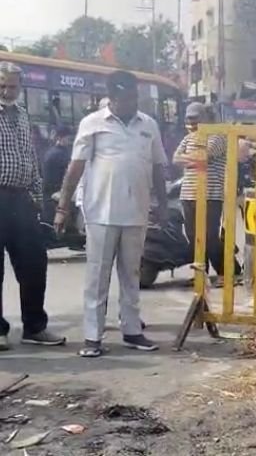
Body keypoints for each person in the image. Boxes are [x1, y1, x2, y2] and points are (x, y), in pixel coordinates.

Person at [55, 70, 168, 357]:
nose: (133, 103)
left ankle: (132, 331)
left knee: (131, 275)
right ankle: (93, 337)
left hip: (137, 212)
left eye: (135, 97)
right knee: (97, 277)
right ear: (113, 97)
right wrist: (63, 207)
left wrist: (163, 206)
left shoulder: (148, 125)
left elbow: (158, 167)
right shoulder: (92, 124)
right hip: (101, 212)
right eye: (127, 98)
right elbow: (76, 167)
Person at [0, 61, 66, 351]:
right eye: (1, 85)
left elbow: (31, 158)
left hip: (22, 199)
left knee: (34, 263)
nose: (6, 90)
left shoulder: (24, 116)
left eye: (11, 86)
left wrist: (36, 199)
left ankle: (35, 326)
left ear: (19, 87)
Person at [173, 102, 240, 285]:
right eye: (189, 119)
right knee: (194, 236)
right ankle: (200, 274)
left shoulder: (218, 136)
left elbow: (205, 155)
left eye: (195, 119)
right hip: (188, 193)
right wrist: (193, 158)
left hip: (211, 194)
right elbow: (175, 158)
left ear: (206, 118)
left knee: (210, 236)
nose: (192, 123)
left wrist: (190, 158)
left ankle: (228, 273)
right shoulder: (189, 138)